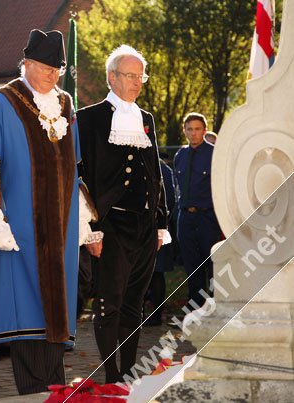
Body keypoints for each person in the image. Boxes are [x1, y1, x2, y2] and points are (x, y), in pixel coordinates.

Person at [0, 29, 95, 394]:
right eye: (44, 67)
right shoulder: (2, 104)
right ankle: (32, 392)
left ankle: (54, 390)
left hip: (61, 231)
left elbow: (77, 166)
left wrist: (85, 219)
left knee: (55, 315)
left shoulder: (66, 105)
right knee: (24, 311)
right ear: (26, 63)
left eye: (57, 69)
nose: (52, 75)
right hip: (18, 232)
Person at [77, 44, 169, 384]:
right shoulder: (89, 118)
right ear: (111, 77)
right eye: (130, 75)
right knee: (109, 303)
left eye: (140, 75)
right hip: (111, 225)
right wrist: (91, 230)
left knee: (135, 303)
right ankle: (111, 374)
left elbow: (154, 173)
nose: (137, 82)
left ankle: (128, 372)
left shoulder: (146, 119)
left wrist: (160, 222)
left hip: (144, 226)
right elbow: (82, 177)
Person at [173, 112, 222, 310]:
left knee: (212, 266)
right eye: (189, 129)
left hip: (207, 217)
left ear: (204, 130)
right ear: (184, 131)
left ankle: (215, 311)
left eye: (197, 129)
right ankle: (195, 312)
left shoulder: (214, 154)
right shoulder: (180, 155)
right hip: (185, 217)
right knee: (192, 267)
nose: (193, 133)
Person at [144, 158, 177, 326]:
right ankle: (139, 314)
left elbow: (169, 202)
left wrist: (158, 226)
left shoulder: (164, 170)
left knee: (157, 274)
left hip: (157, 229)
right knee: (139, 274)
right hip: (138, 230)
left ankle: (156, 316)